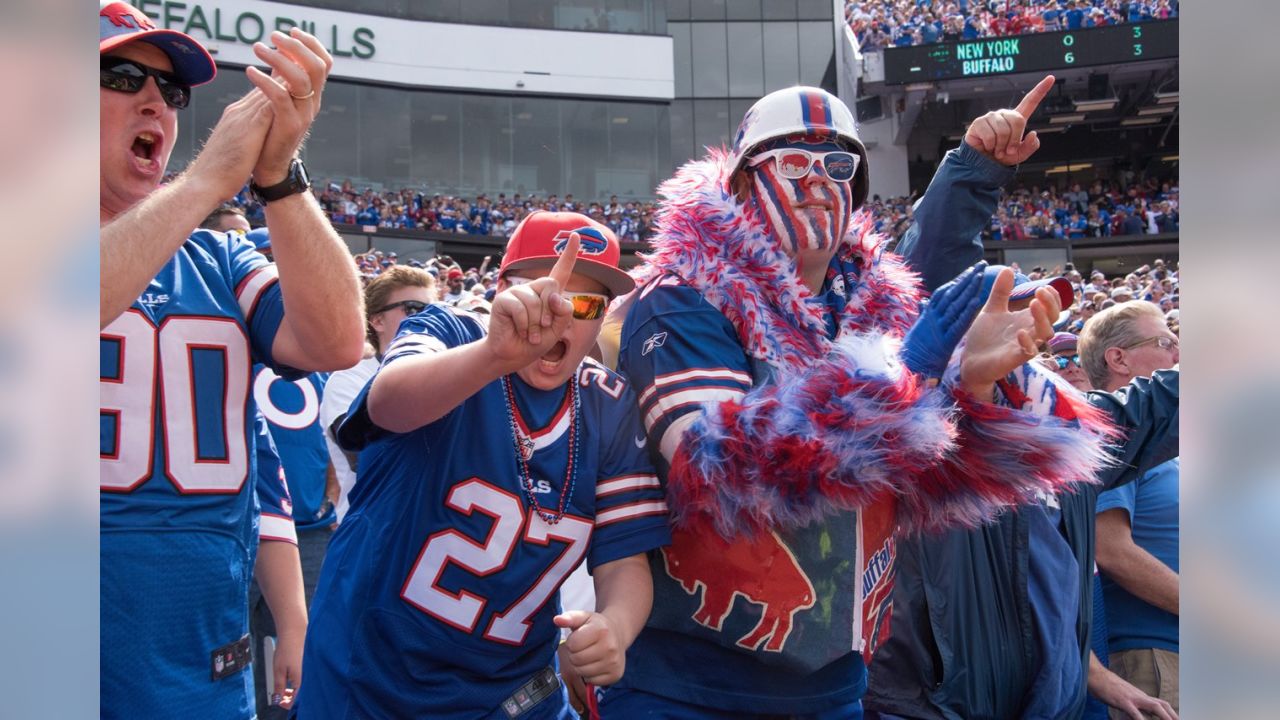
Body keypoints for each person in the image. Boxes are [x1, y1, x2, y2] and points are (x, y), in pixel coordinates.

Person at [600, 82, 1114, 718]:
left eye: (837, 166)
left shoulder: (879, 309)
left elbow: (925, 491)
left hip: (839, 685)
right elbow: (722, 467)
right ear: (738, 184)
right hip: (690, 685)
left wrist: (970, 389)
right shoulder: (682, 297)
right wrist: (903, 378)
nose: (819, 182)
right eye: (792, 163)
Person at [867, 92, 1180, 720]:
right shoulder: (921, 436)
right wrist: (970, 173)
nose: (1030, 328)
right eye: (1012, 311)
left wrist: (1097, 678)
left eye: (1040, 312)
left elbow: (1048, 583)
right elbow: (929, 274)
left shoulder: (1063, 429)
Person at [98, 2, 364, 717]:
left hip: (200, 659)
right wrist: (207, 181)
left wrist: (279, 176)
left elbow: (337, 340)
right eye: (123, 76)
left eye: (173, 91)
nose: (157, 100)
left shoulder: (218, 256)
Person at [298, 213, 672, 719]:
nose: (560, 314)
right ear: (500, 288)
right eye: (539, 291)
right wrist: (493, 355)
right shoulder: (449, 331)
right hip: (372, 677)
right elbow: (387, 405)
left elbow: (623, 558)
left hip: (515, 694)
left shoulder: (607, 404)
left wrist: (616, 626)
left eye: (585, 304)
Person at [1082, 302, 1181, 717]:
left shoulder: (1163, 440)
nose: (1179, 353)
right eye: (1165, 342)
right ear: (1117, 357)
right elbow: (1110, 550)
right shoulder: (1105, 432)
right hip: (1156, 660)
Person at [319, 264, 438, 524]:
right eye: (413, 309)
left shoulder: (444, 378)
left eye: (434, 311)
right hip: (370, 534)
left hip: (430, 536)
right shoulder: (349, 379)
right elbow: (366, 459)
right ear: (377, 320)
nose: (428, 319)